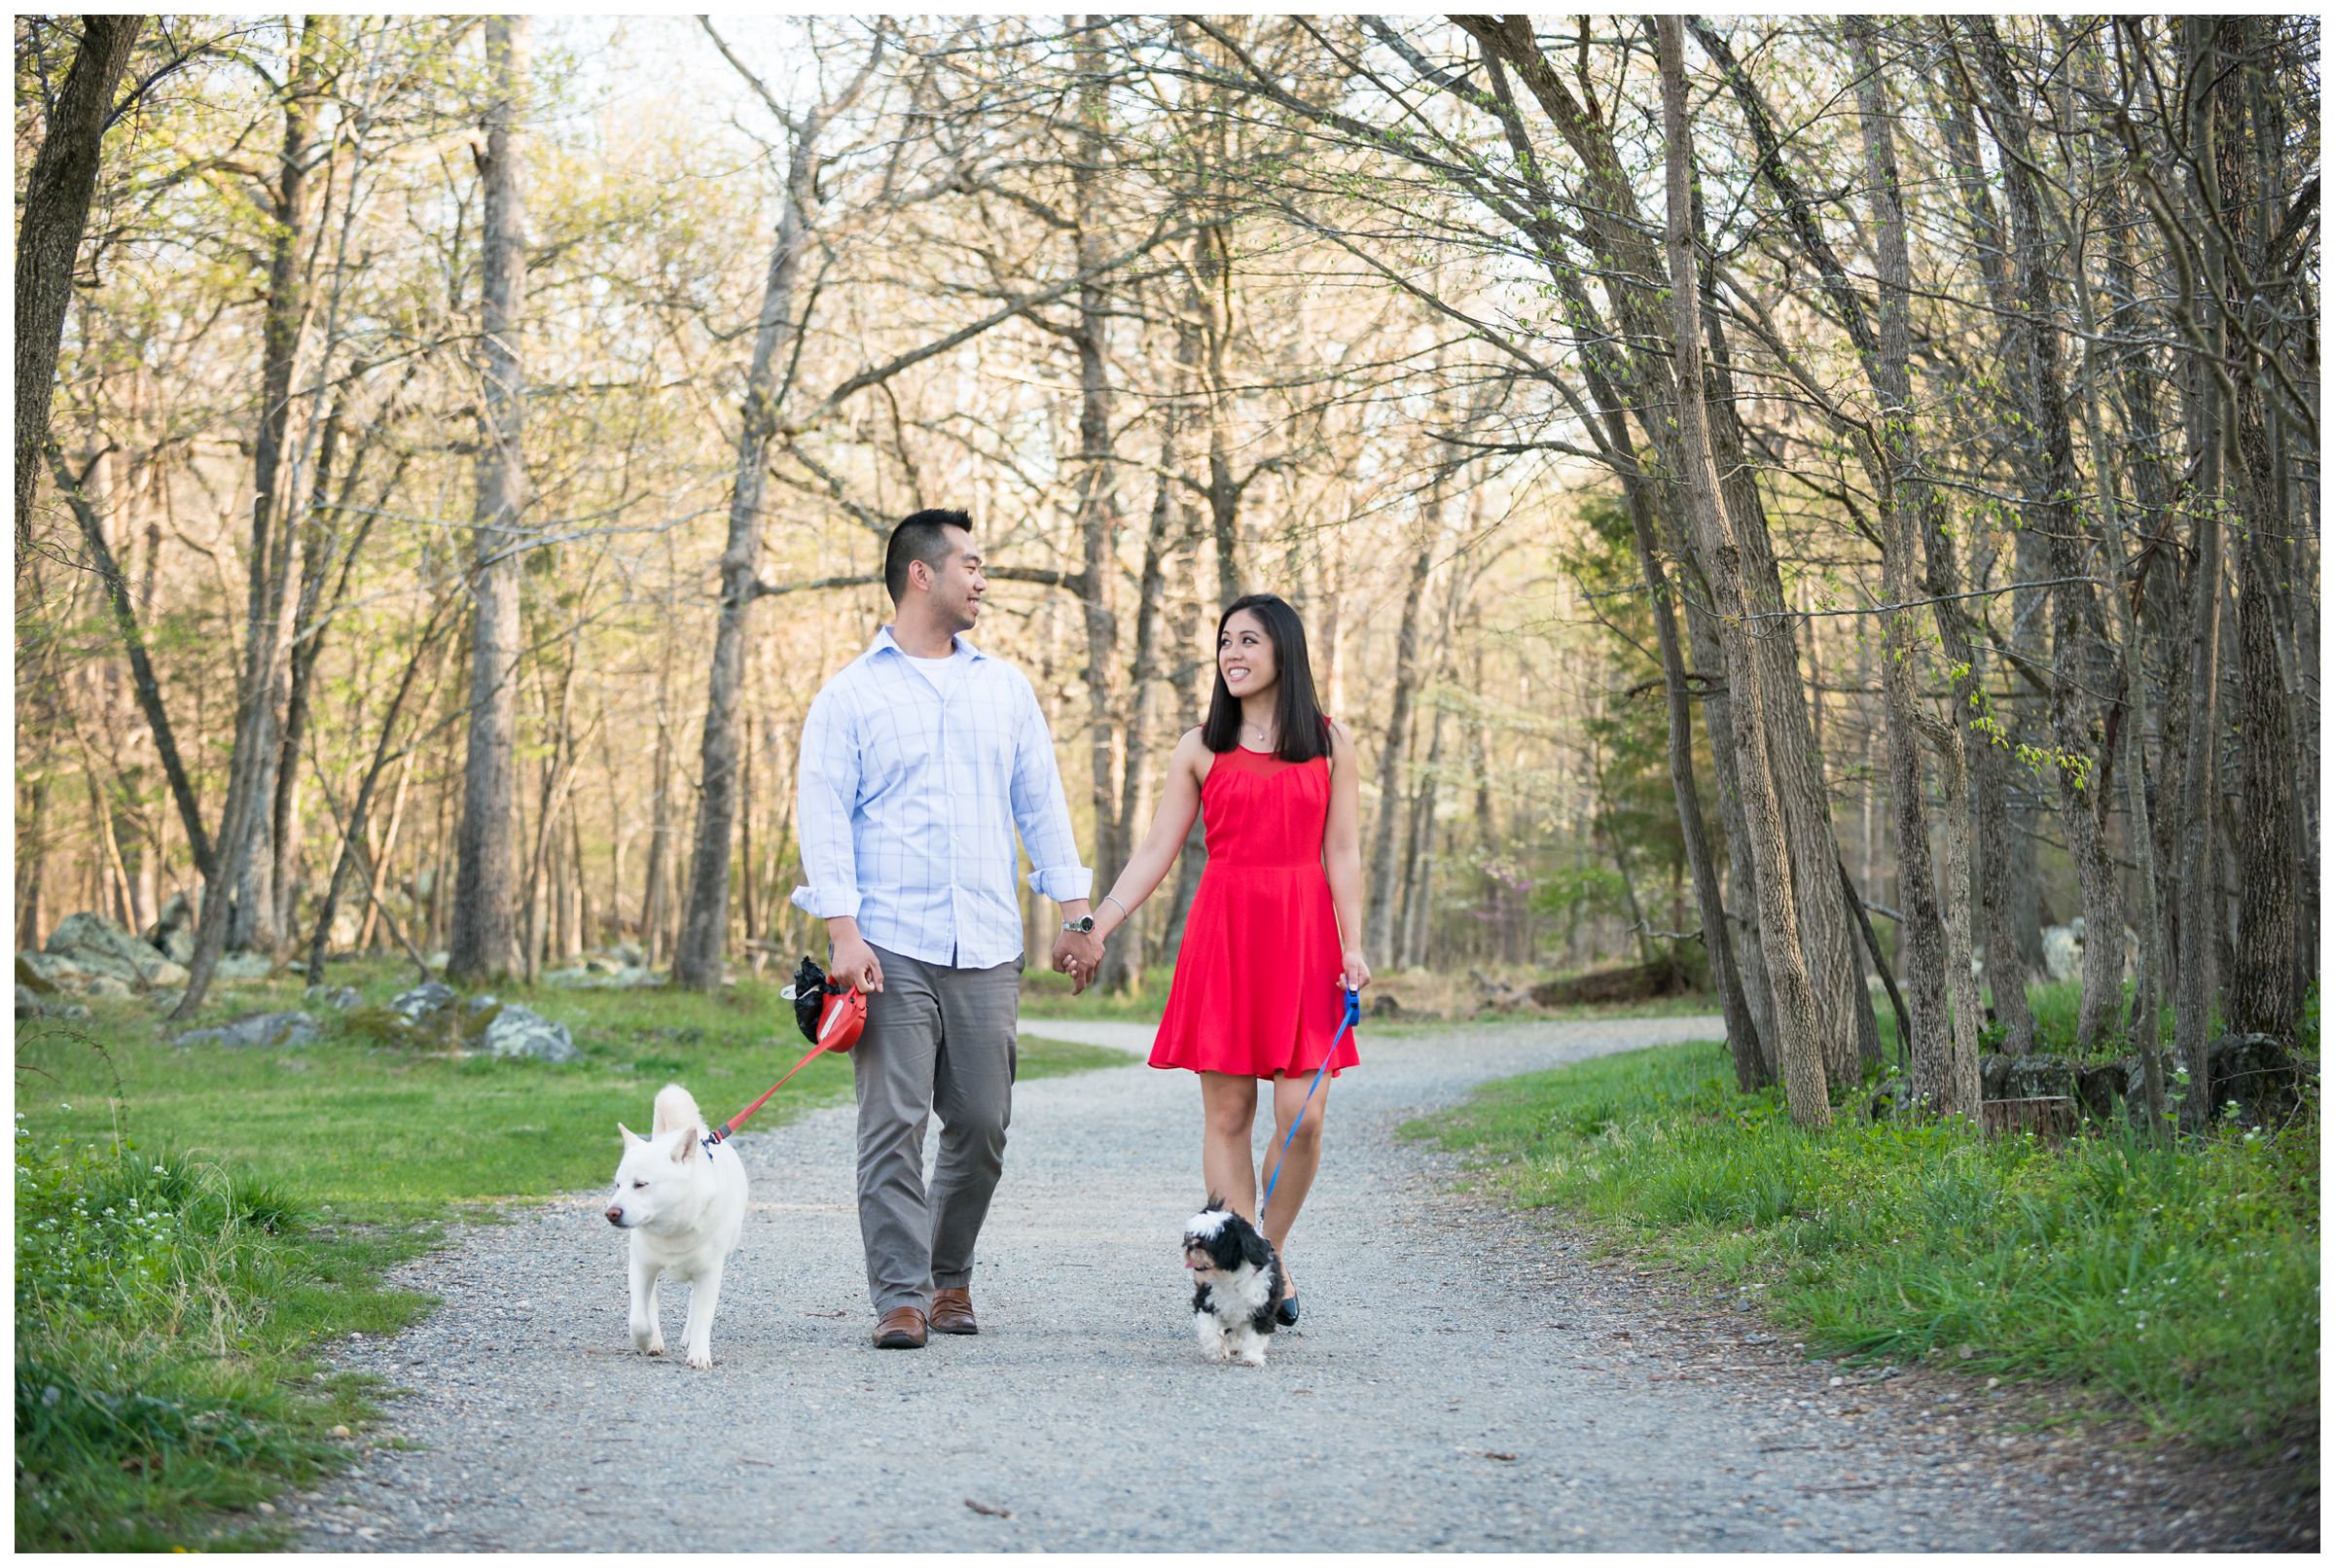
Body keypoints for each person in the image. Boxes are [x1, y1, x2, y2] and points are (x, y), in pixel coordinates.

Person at [792, 509, 1103, 1350]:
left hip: (987, 944)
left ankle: (947, 1272)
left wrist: (1076, 914)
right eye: (971, 562)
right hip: (887, 943)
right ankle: (900, 1295)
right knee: (892, 1122)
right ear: (920, 574)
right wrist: (844, 932)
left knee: (981, 1123)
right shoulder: (850, 695)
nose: (983, 578)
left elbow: (1041, 804)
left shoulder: (1003, 688)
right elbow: (822, 819)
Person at [1087, 592, 1368, 1327]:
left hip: (1305, 941)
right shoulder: (1200, 747)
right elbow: (1156, 850)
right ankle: (1246, 1280)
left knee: (1301, 1117)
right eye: (1224, 642)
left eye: (1248, 640)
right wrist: (1100, 923)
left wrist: (1357, 946)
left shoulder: (1331, 745)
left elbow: (1342, 851)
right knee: (1232, 1111)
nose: (1233, 654)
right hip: (1226, 935)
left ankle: (1264, 1255)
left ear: (1284, 651)